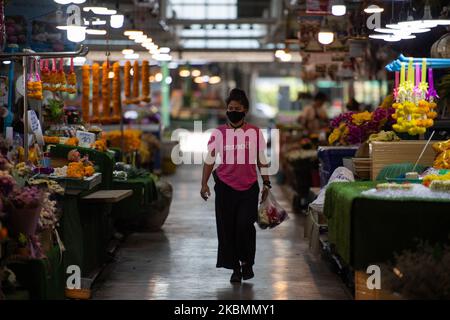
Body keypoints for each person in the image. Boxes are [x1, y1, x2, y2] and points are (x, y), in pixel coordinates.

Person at [200, 88, 271, 283]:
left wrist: (266, 182)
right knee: (227, 229)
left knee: (244, 226)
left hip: (249, 187)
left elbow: (261, 159)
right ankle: (235, 268)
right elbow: (210, 159)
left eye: (237, 108)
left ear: (245, 110)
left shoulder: (254, 132)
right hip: (224, 186)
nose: (233, 111)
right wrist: (204, 184)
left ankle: (247, 261)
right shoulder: (219, 133)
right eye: (230, 108)